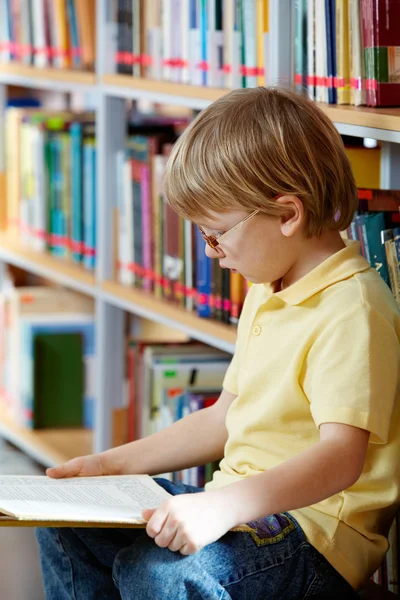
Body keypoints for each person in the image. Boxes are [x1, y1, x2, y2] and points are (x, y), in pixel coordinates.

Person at [36, 87, 400, 600]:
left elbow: (340, 458)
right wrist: (108, 467)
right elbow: (221, 419)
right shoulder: (269, 287)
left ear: (287, 214)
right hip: (239, 510)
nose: (213, 255)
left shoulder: (352, 309)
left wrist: (222, 507)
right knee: (66, 521)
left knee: (157, 573)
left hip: (313, 537)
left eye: (216, 236)